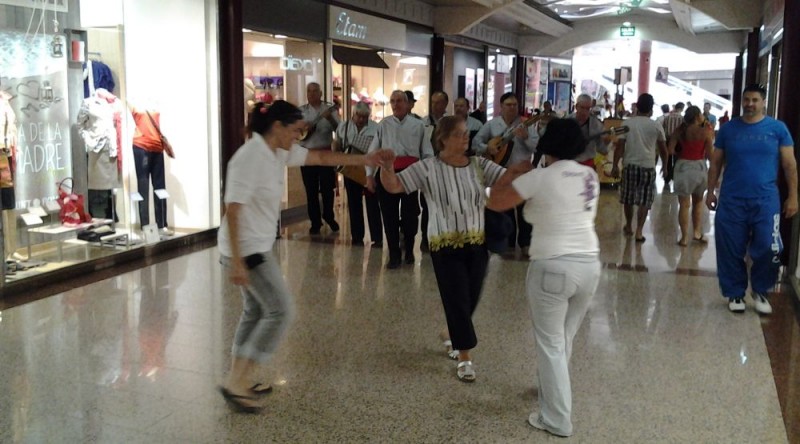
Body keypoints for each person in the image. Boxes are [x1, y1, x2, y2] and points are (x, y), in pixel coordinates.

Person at [217, 100, 390, 412]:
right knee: (281, 310)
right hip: (247, 249)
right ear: (278, 127)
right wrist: (239, 261)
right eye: (295, 130)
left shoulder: (277, 152)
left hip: (255, 245)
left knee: (255, 311)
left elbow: (321, 156)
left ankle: (237, 377)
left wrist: (366, 157)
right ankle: (236, 382)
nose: (299, 136)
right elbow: (233, 210)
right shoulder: (249, 157)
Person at [486, 118, 601, 438]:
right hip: (589, 264)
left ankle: (557, 418)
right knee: (563, 337)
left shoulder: (540, 177)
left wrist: (510, 174)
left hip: (552, 265)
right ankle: (549, 389)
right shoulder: (589, 174)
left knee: (550, 343)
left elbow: (496, 202)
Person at [378, 116, 509, 382]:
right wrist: (386, 167)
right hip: (444, 244)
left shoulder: (479, 165)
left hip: (477, 242)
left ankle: (450, 333)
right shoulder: (427, 167)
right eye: (459, 134)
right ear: (443, 139)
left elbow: (508, 180)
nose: (466, 138)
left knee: (471, 298)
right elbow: (394, 186)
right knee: (458, 299)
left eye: (466, 134)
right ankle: (465, 357)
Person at [706, 84, 797, 315]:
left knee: (769, 246)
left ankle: (760, 290)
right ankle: (735, 292)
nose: (750, 104)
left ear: (763, 102)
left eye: (755, 100)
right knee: (730, 248)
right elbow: (716, 162)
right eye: (746, 99)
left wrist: (793, 196)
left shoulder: (777, 129)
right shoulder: (728, 129)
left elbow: (789, 164)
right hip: (732, 199)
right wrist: (710, 190)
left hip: (766, 200)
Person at [367, 90, 434, 268]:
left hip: (410, 173)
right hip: (387, 172)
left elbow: (426, 152)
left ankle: (409, 248)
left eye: (399, 101)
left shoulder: (418, 125)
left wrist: (427, 174)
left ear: (407, 104)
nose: (395, 104)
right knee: (389, 215)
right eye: (392, 101)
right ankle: (394, 254)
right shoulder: (383, 124)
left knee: (410, 215)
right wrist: (369, 175)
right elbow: (373, 151)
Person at [472, 92, 538, 251]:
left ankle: (525, 243)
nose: (512, 108)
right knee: (504, 208)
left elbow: (536, 147)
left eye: (515, 105)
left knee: (524, 208)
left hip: (523, 173)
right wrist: (488, 148)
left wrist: (526, 137)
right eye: (508, 105)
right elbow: (475, 143)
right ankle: (507, 242)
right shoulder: (491, 125)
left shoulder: (526, 124)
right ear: (501, 107)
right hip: (499, 172)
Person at [611, 93, 667, 243]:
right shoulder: (656, 125)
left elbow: (619, 146)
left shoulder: (626, 124)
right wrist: (666, 167)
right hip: (648, 167)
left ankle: (629, 225)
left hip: (629, 166)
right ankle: (639, 232)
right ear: (651, 109)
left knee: (628, 198)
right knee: (645, 200)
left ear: (637, 106)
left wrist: (615, 165)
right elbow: (663, 149)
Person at [333, 101, 383, 247]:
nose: (361, 119)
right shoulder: (344, 126)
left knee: (372, 203)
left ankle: (377, 236)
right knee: (354, 204)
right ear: (353, 114)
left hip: (370, 170)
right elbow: (338, 144)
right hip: (351, 169)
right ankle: (357, 236)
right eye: (358, 116)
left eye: (364, 117)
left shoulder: (376, 127)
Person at [668, 106, 713, 246]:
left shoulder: (679, 131)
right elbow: (710, 155)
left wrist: (680, 153)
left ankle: (684, 238)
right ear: (698, 116)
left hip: (682, 167)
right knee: (698, 203)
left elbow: (670, 149)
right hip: (699, 167)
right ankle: (697, 233)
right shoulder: (706, 132)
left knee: (684, 205)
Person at [299, 82, 341, 235]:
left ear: (321, 93)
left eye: (315, 91)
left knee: (327, 188)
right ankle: (315, 221)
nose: (312, 94)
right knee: (310, 190)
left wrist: (330, 118)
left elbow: (339, 129)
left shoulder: (329, 109)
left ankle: (329, 216)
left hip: (325, 153)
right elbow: (297, 135)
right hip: (307, 154)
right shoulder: (301, 111)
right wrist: (305, 128)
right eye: (309, 91)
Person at [569, 93, 607, 169]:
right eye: (582, 108)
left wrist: (606, 141)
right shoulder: (567, 121)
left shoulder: (595, 124)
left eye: (587, 109)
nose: (584, 112)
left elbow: (602, 148)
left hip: (587, 163)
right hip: (569, 163)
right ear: (576, 107)